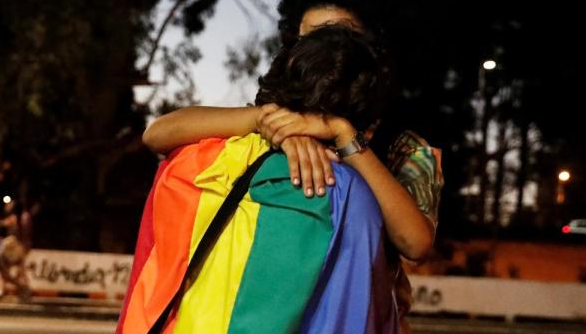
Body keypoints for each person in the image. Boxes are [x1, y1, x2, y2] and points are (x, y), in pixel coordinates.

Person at [142, 0, 443, 330]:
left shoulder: (402, 146)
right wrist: (269, 122)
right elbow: (158, 133)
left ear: (371, 46)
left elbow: (415, 243)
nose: (328, 44)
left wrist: (342, 134)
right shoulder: (269, 121)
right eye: (312, 34)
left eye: (344, 31)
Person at [119, 24, 401, 333]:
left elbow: (156, 134)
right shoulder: (345, 193)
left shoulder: (192, 159)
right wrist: (342, 135)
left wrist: (266, 120)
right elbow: (352, 315)